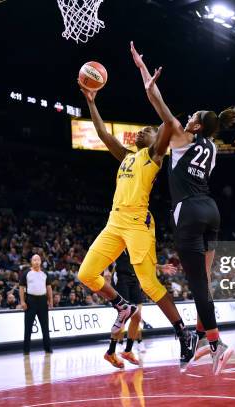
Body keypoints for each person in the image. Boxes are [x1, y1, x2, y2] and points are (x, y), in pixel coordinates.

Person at [130, 41, 235, 375]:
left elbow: (157, 102)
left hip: (190, 212)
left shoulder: (182, 135)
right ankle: (205, 340)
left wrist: (145, 74)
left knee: (199, 287)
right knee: (205, 280)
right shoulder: (213, 148)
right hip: (212, 211)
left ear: (196, 126)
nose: (186, 118)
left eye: (191, 117)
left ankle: (217, 344)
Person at [77, 77, 199, 370]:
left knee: (149, 283)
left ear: (155, 140)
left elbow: (167, 125)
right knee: (86, 274)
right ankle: (121, 305)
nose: (142, 130)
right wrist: (91, 102)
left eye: (147, 129)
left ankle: (184, 333)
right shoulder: (126, 157)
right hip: (115, 222)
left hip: (137, 224)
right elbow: (103, 134)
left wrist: (152, 90)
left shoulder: (154, 157)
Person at [19, 254, 53, 354]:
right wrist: (22, 301)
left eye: (38, 260)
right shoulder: (26, 273)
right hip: (30, 301)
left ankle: (48, 348)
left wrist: (50, 300)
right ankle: (26, 350)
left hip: (42, 301)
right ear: (31, 262)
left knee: (45, 326)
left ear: (41, 261)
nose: (36, 262)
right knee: (28, 326)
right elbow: (21, 287)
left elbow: (49, 287)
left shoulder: (45, 273)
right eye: (34, 260)